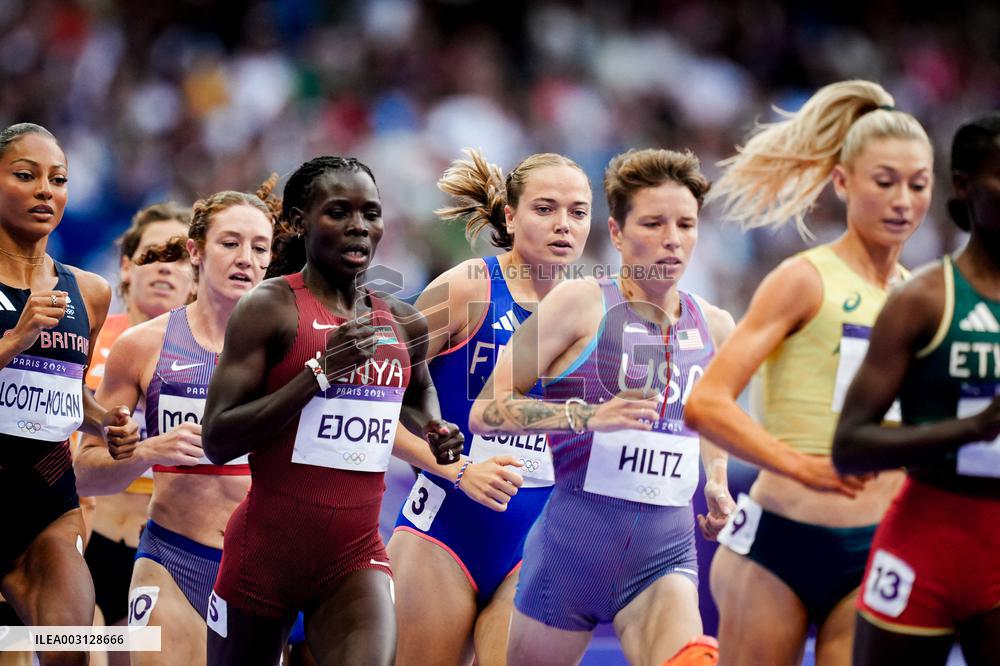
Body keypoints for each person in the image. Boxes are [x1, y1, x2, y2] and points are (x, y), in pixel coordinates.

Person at [683, 80, 933, 665]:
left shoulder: (921, 298)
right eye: (885, 182)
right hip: (778, 543)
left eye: (918, 185)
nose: (903, 201)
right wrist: (802, 466)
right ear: (843, 182)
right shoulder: (804, 279)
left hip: (875, 548)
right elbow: (708, 404)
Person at [469, 147, 735, 666]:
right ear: (616, 233)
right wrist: (588, 416)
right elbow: (487, 408)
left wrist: (718, 478)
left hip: (666, 558)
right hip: (569, 561)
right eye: (654, 223)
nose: (672, 239)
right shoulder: (581, 304)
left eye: (686, 223)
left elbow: (710, 417)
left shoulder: (715, 325)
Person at [201, 156, 462, 666]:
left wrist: (433, 426)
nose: (359, 226)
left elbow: (417, 391)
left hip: (355, 555)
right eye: (339, 212)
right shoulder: (269, 308)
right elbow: (219, 438)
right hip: (264, 557)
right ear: (300, 222)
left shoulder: (402, 321)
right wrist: (319, 374)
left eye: (371, 213)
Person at [388, 149, 592, 666]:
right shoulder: (469, 289)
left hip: (539, 545)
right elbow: (367, 401)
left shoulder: (596, 313)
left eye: (578, 212)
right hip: (444, 534)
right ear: (510, 215)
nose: (563, 225)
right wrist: (456, 469)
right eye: (545, 209)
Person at [74, 186, 275, 666]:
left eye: (259, 247)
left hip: (259, 567)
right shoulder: (141, 346)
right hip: (169, 556)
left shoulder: (290, 348)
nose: (244, 258)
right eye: (229, 243)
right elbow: (83, 472)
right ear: (196, 251)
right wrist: (146, 451)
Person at [832, 113, 1000, 666]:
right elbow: (850, 444)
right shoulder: (924, 300)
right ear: (964, 185)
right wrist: (972, 429)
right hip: (926, 541)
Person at [0, 122, 137, 665]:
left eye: (57, 179)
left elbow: (63, 391)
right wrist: (13, 340)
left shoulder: (89, 291)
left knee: (71, 652)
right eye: (25, 175)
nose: (45, 191)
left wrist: (105, 421)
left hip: (45, 506)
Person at [82, 202, 195, 636]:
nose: (165, 269)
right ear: (127, 267)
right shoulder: (88, 338)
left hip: (164, 550)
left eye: (178, 258)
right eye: (153, 255)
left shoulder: (215, 355)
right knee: (72, 648)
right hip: (90, 538)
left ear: (195, 275)